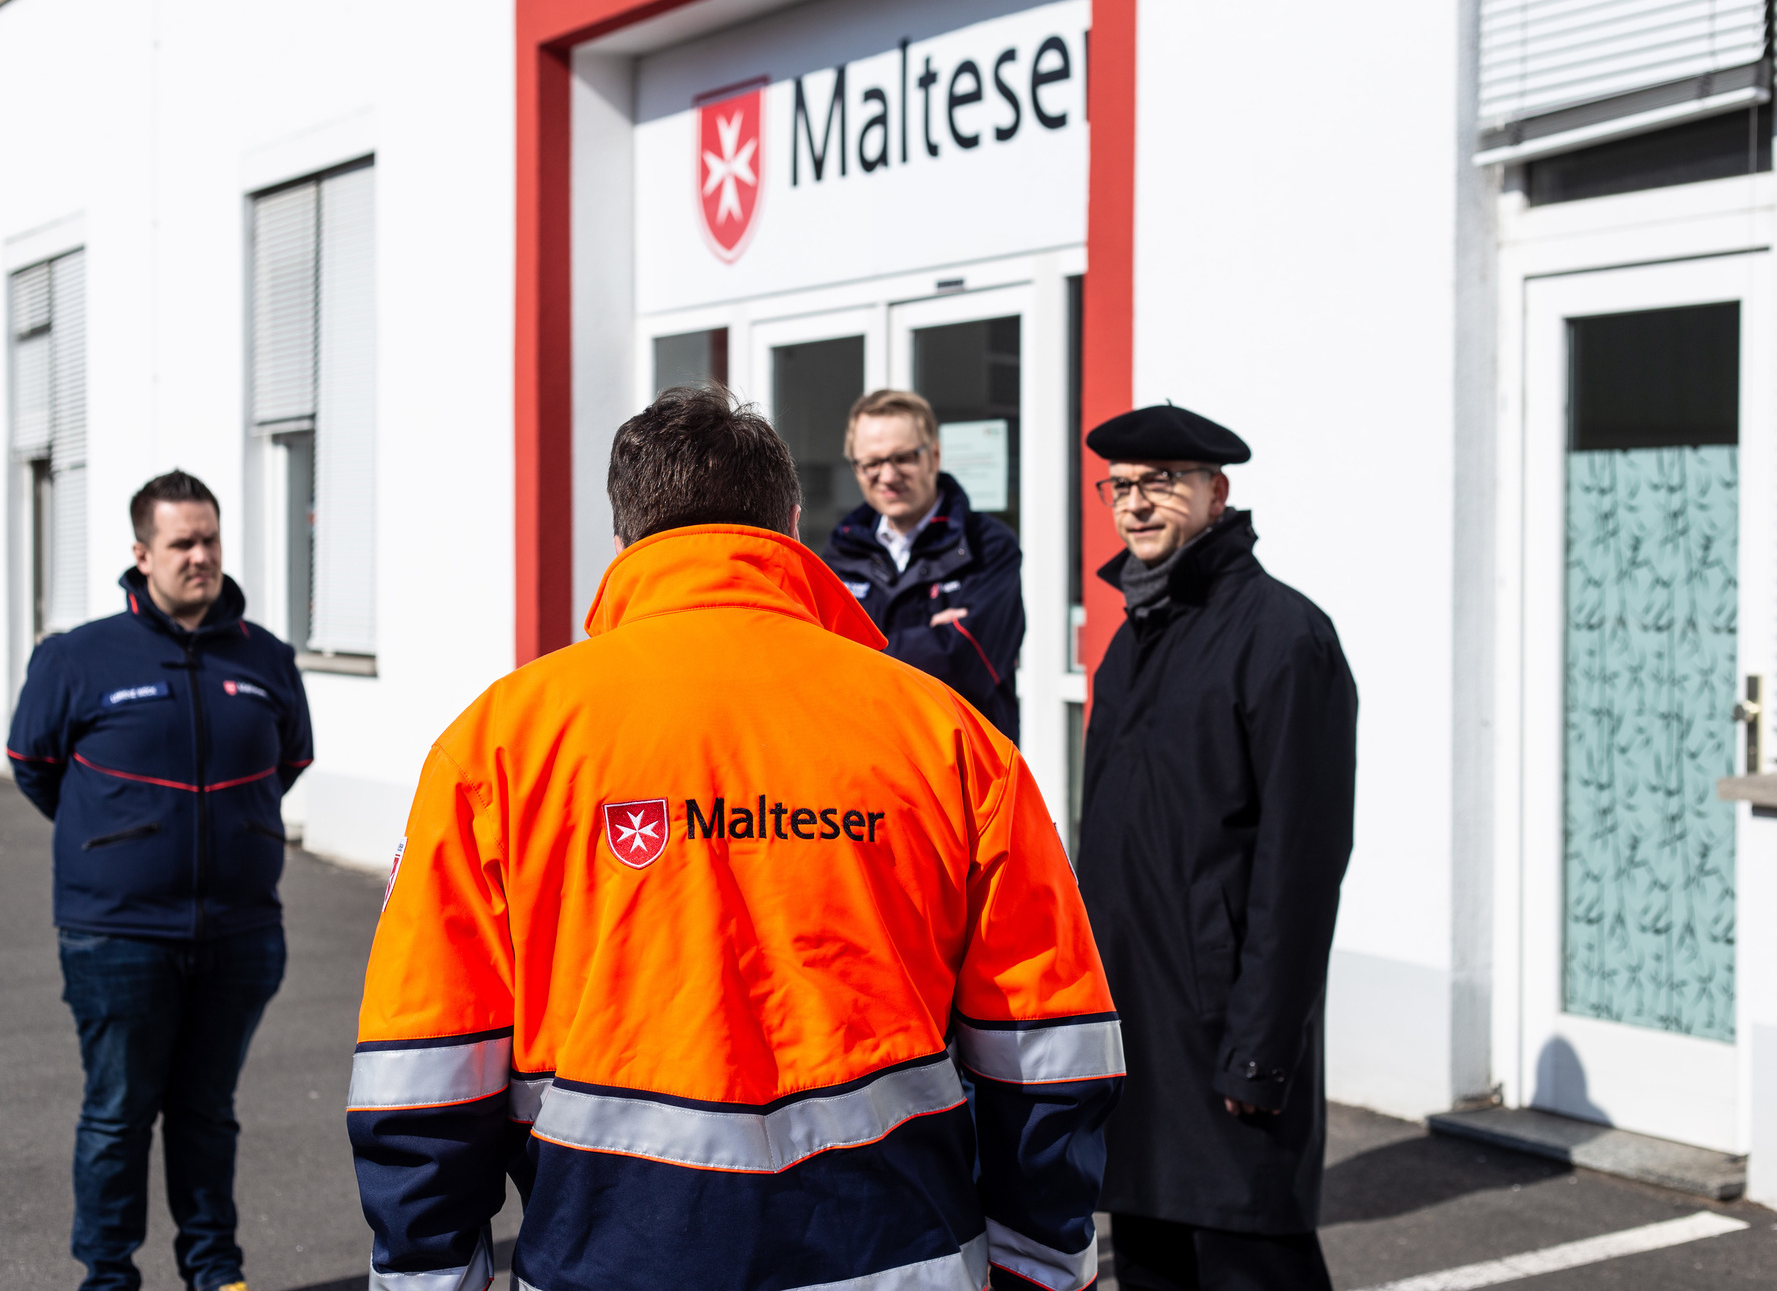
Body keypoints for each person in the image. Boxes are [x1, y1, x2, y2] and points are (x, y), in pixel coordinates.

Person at [348, 387, 1122, 1291]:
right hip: (899, 1263)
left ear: (624, 538)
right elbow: (1049, 1050)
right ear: (790, 524)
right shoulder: (947, 736)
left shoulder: (500, 742)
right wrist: (1037, 1270)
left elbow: (423, 1071)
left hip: (609, 1262)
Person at [8, 470, 314, 1291]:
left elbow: (287, 762)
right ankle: (107, 1276)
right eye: (183, 542)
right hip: (117, 933)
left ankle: (216, 1271)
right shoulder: (78, 657)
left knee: (208, 1113)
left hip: (240, 931)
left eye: (210, 538)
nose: (201, 556)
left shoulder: (266, 658)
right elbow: (33, 766)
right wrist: (118, 842)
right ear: (141, 553)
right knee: (117, 1114)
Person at [1074, 405, 1357, 1291]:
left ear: (1215, 492)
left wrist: (1259, 1047)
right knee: (1151, 1267)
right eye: (1120, 486)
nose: (1136, 504)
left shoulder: (1282, 637)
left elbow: (1300, 865)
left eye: (1161, 482)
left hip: (1222, 1037)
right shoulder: (1131, 642)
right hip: (1136, 1030)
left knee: (1251, 1260)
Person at [821, 389, 1024, 741]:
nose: (887, 476)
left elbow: (967, 664)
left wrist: (857, 652)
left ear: (934, 456)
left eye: (902, 458)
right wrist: (931, 639)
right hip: (871, 760)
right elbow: (820, 667)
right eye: (871, 463)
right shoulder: (840, 553)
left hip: (963, 768)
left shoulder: (988, 546)